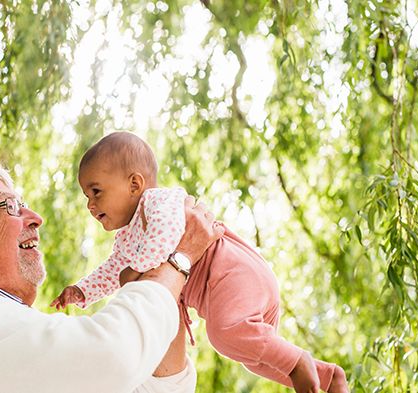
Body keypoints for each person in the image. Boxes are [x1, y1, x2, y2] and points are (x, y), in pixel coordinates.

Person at [0, 162, 225, 393]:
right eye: (9, 207)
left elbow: (152, 386)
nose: (35, 217)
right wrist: (178, 261)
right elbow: (110, 357)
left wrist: (163, 278)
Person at [51, 132, 350, 393]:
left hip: (232, 273)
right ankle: (328, 376)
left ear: (134, 184)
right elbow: (113, 269)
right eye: (86, 196)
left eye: (96, 191)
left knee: (225, 335)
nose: (90, 204)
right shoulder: (127, 239)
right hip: (230, 291)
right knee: (251, 358)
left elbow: (164, 238)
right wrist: (82, 291)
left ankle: (298, 361)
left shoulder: (158, 202)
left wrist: (136, 270)